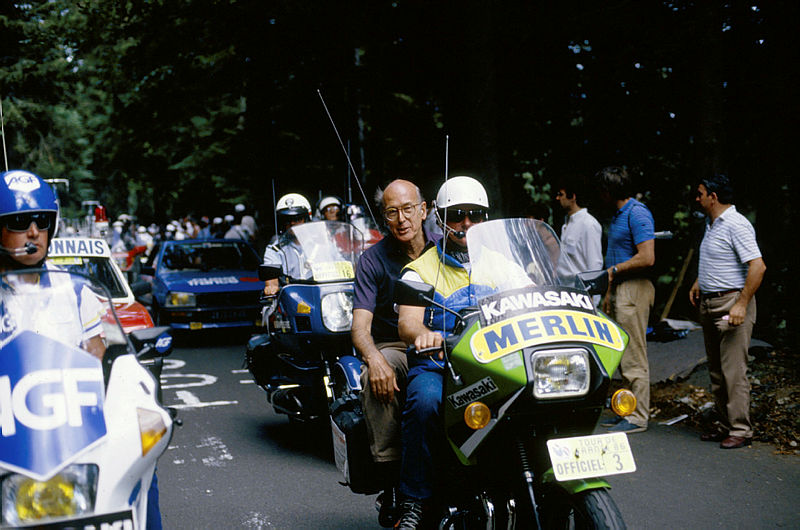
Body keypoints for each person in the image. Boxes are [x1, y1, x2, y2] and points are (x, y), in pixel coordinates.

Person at [395, 176, 490, 529]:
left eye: (476, 215)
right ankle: (414, 501)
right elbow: (408, 324)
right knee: (424, 403)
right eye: (457, 215)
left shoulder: (504, 265)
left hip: (494, 366)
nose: (467, 224)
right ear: (439, 216)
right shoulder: (419, 270)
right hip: (439, 365)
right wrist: (425, 336)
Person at [351, 179, 434, 520]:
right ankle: (392, 477)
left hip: (444, 341)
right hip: (395, 345)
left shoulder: (446, 248)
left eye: (408, 209)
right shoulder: (372, 260)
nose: (402, 219)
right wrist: (373, 359)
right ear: (384, 218)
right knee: (381, 368)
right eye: (392, 212)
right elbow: (360, 328)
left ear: (424, 210)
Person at [689, 174, 766, 449]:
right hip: (710, 303)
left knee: (734, 371)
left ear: (714, 196)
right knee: (718, 370)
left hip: (730, 303)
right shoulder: (711, 224)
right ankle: (724, 423)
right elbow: (719, 258)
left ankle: (741, 430)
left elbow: (758, 266)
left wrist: (742, 304)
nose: (696, 198)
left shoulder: (736, 223)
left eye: (700, 193)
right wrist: (701, 280)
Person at [0, 170, 105, 360]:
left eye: (42, 221)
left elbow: (96, 360)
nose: (34, 233)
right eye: (20, 222)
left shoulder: (75, 290)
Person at [596, 166, 655, 434]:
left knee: (634, 356)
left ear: (610, 191)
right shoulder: (618, 215)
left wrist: (615, 271)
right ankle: (627, 411)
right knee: (622, 355)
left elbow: (647, 256)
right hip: (619, 288)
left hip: (634, 288)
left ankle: (638, 416)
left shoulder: (637, 213)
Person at [554, 176, 603, 304]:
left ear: (573, 196)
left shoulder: (588, 224)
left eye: (561, 194)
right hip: (565, 293)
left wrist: (593, 300)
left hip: (582, 295)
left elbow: (595, 264)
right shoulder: (566, 224)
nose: (557, 198)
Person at [262, 193, 312, 295]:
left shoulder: (322, 245)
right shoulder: (275, 249)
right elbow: (272, 282)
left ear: (307, 219)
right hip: (291, 298)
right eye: (287, 220)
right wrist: (272, 286)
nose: (292, 223)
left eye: (297, 219)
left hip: (322, 297)